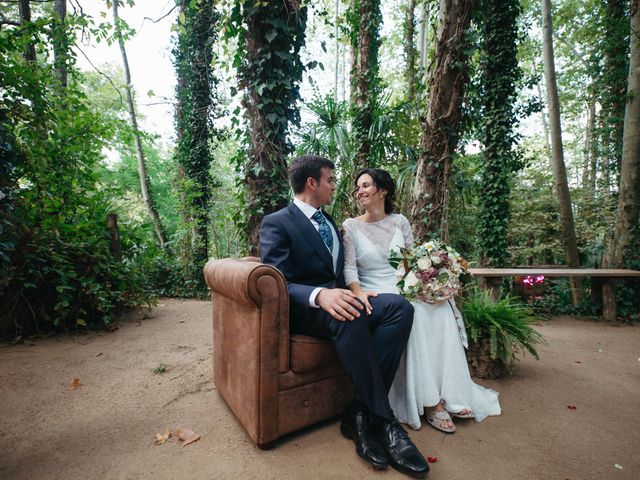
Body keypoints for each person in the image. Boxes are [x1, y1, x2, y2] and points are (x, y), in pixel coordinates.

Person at [259, 156, 429, 478]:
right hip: (309, 311)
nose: (335, 186)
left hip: (346, 298)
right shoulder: (277, 222)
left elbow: (343, 270)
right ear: (313, 183)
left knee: (399, 308)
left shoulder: (332, 222)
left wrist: (359, 292)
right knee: (349, 315)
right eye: (331, 180)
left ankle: (357, 414)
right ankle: (385, 422)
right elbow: (278, 279)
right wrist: (320, 296)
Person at [342, 168, 501, 433]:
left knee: (440, 307)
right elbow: (349, 269)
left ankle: (452, 391)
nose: (359, 191)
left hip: (404, 285)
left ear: (383, 190)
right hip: (375, 291)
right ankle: (430, 402)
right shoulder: (351, 226)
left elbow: (410, 263)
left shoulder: (400, 221)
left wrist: (431, 282)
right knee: (410, 311)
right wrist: (357, 292)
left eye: (366, 185)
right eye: (357, 187)